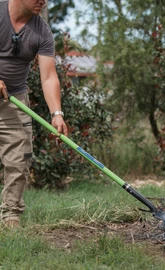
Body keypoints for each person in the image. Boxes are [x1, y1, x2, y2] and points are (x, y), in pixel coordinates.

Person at [0, 0, 68, 228]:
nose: (43, 1)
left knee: (19, 157)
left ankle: (11, 215)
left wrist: (56, 113)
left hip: (14, 99)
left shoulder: (42, 32)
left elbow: (48, 77)